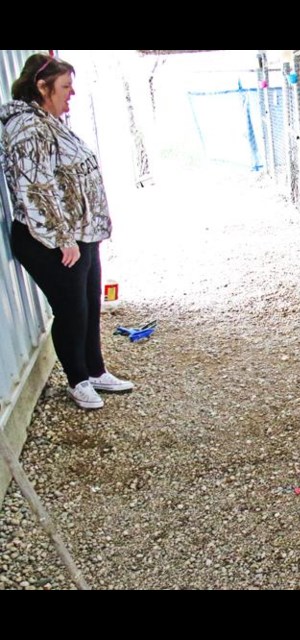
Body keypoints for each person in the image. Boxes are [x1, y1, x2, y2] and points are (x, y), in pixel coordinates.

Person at [1, 53, 133, 410]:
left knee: (89, 304)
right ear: (41, 87)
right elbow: (36, 188)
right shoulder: (26, 127)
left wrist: (79, 234)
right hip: (50, 239)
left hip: (78, 235)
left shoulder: (48, 121)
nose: (70, 95)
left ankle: (95, 370)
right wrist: (61, 238)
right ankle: (77, 380)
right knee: (71, 309)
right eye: (65, 88)